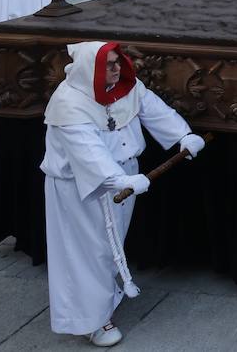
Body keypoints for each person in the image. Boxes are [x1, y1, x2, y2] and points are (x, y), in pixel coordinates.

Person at [41, 42, 204, 346]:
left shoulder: (126, 87)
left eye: (119, 62)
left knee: (109, 245)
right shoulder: (69, 103)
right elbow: (87, 153)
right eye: (110, 65)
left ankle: (103, 298)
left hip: (121, 181)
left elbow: (154, 109)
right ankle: (93, 321)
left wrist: (183, 136)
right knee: (89, 251)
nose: (118, 69)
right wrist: (118, 179)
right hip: (82, 188)